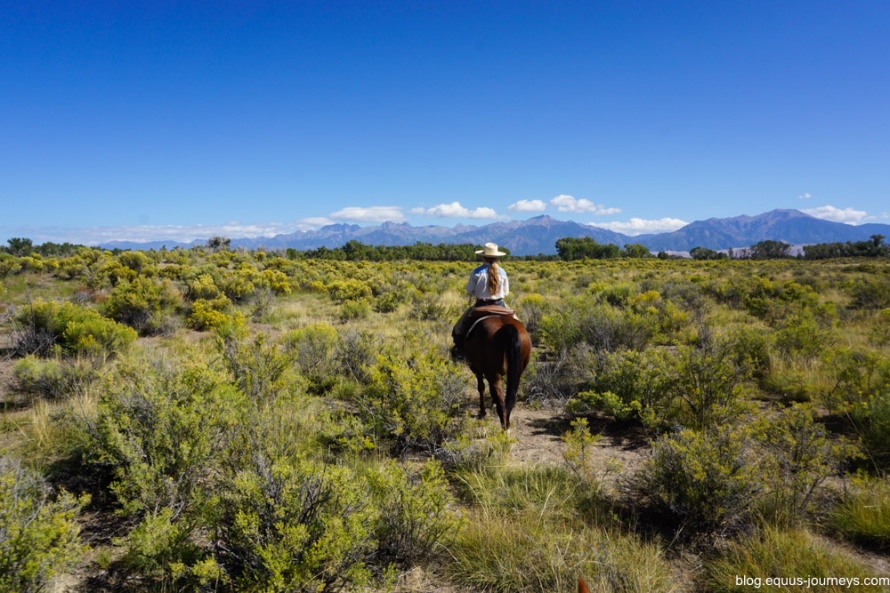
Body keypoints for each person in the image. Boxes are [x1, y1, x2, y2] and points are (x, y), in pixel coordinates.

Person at [452, 242, 510, 357]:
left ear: (483, 257)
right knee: (517, 322)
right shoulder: (503, 272)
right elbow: (506, 292)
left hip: (481, 305)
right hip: (499, 304)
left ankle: (461, 351)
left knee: (459, 328)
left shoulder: (477, 272)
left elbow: (470, 290)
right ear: (497, 257)